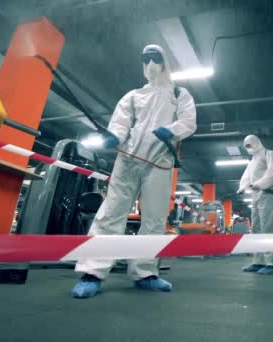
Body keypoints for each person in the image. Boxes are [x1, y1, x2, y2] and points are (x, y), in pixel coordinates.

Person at [72, 44, 197, 298]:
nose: (150, 63)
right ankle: (92, 272)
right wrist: (112, 138)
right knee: (111, 214)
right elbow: (120, 125)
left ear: (165, 61)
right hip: (128, 160)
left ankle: (145, 273)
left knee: (154, 219)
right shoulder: (132, 96)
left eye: (155, 57)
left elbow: (189, 122)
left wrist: (172, 131)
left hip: (160, 163)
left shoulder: (178, 93)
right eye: (145, 58)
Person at [237, 135, 273, 275]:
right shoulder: (252, 161)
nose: (249, 148)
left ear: (256, 142)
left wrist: (259, 184)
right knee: (256, 228)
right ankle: (259, 261)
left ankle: (272, 264)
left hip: (268, 194)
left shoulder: (268, 154)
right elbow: (246, 177)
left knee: (269, 228)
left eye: (250, 145)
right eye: (246, 146)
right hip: (255, 196)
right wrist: (242, 187)